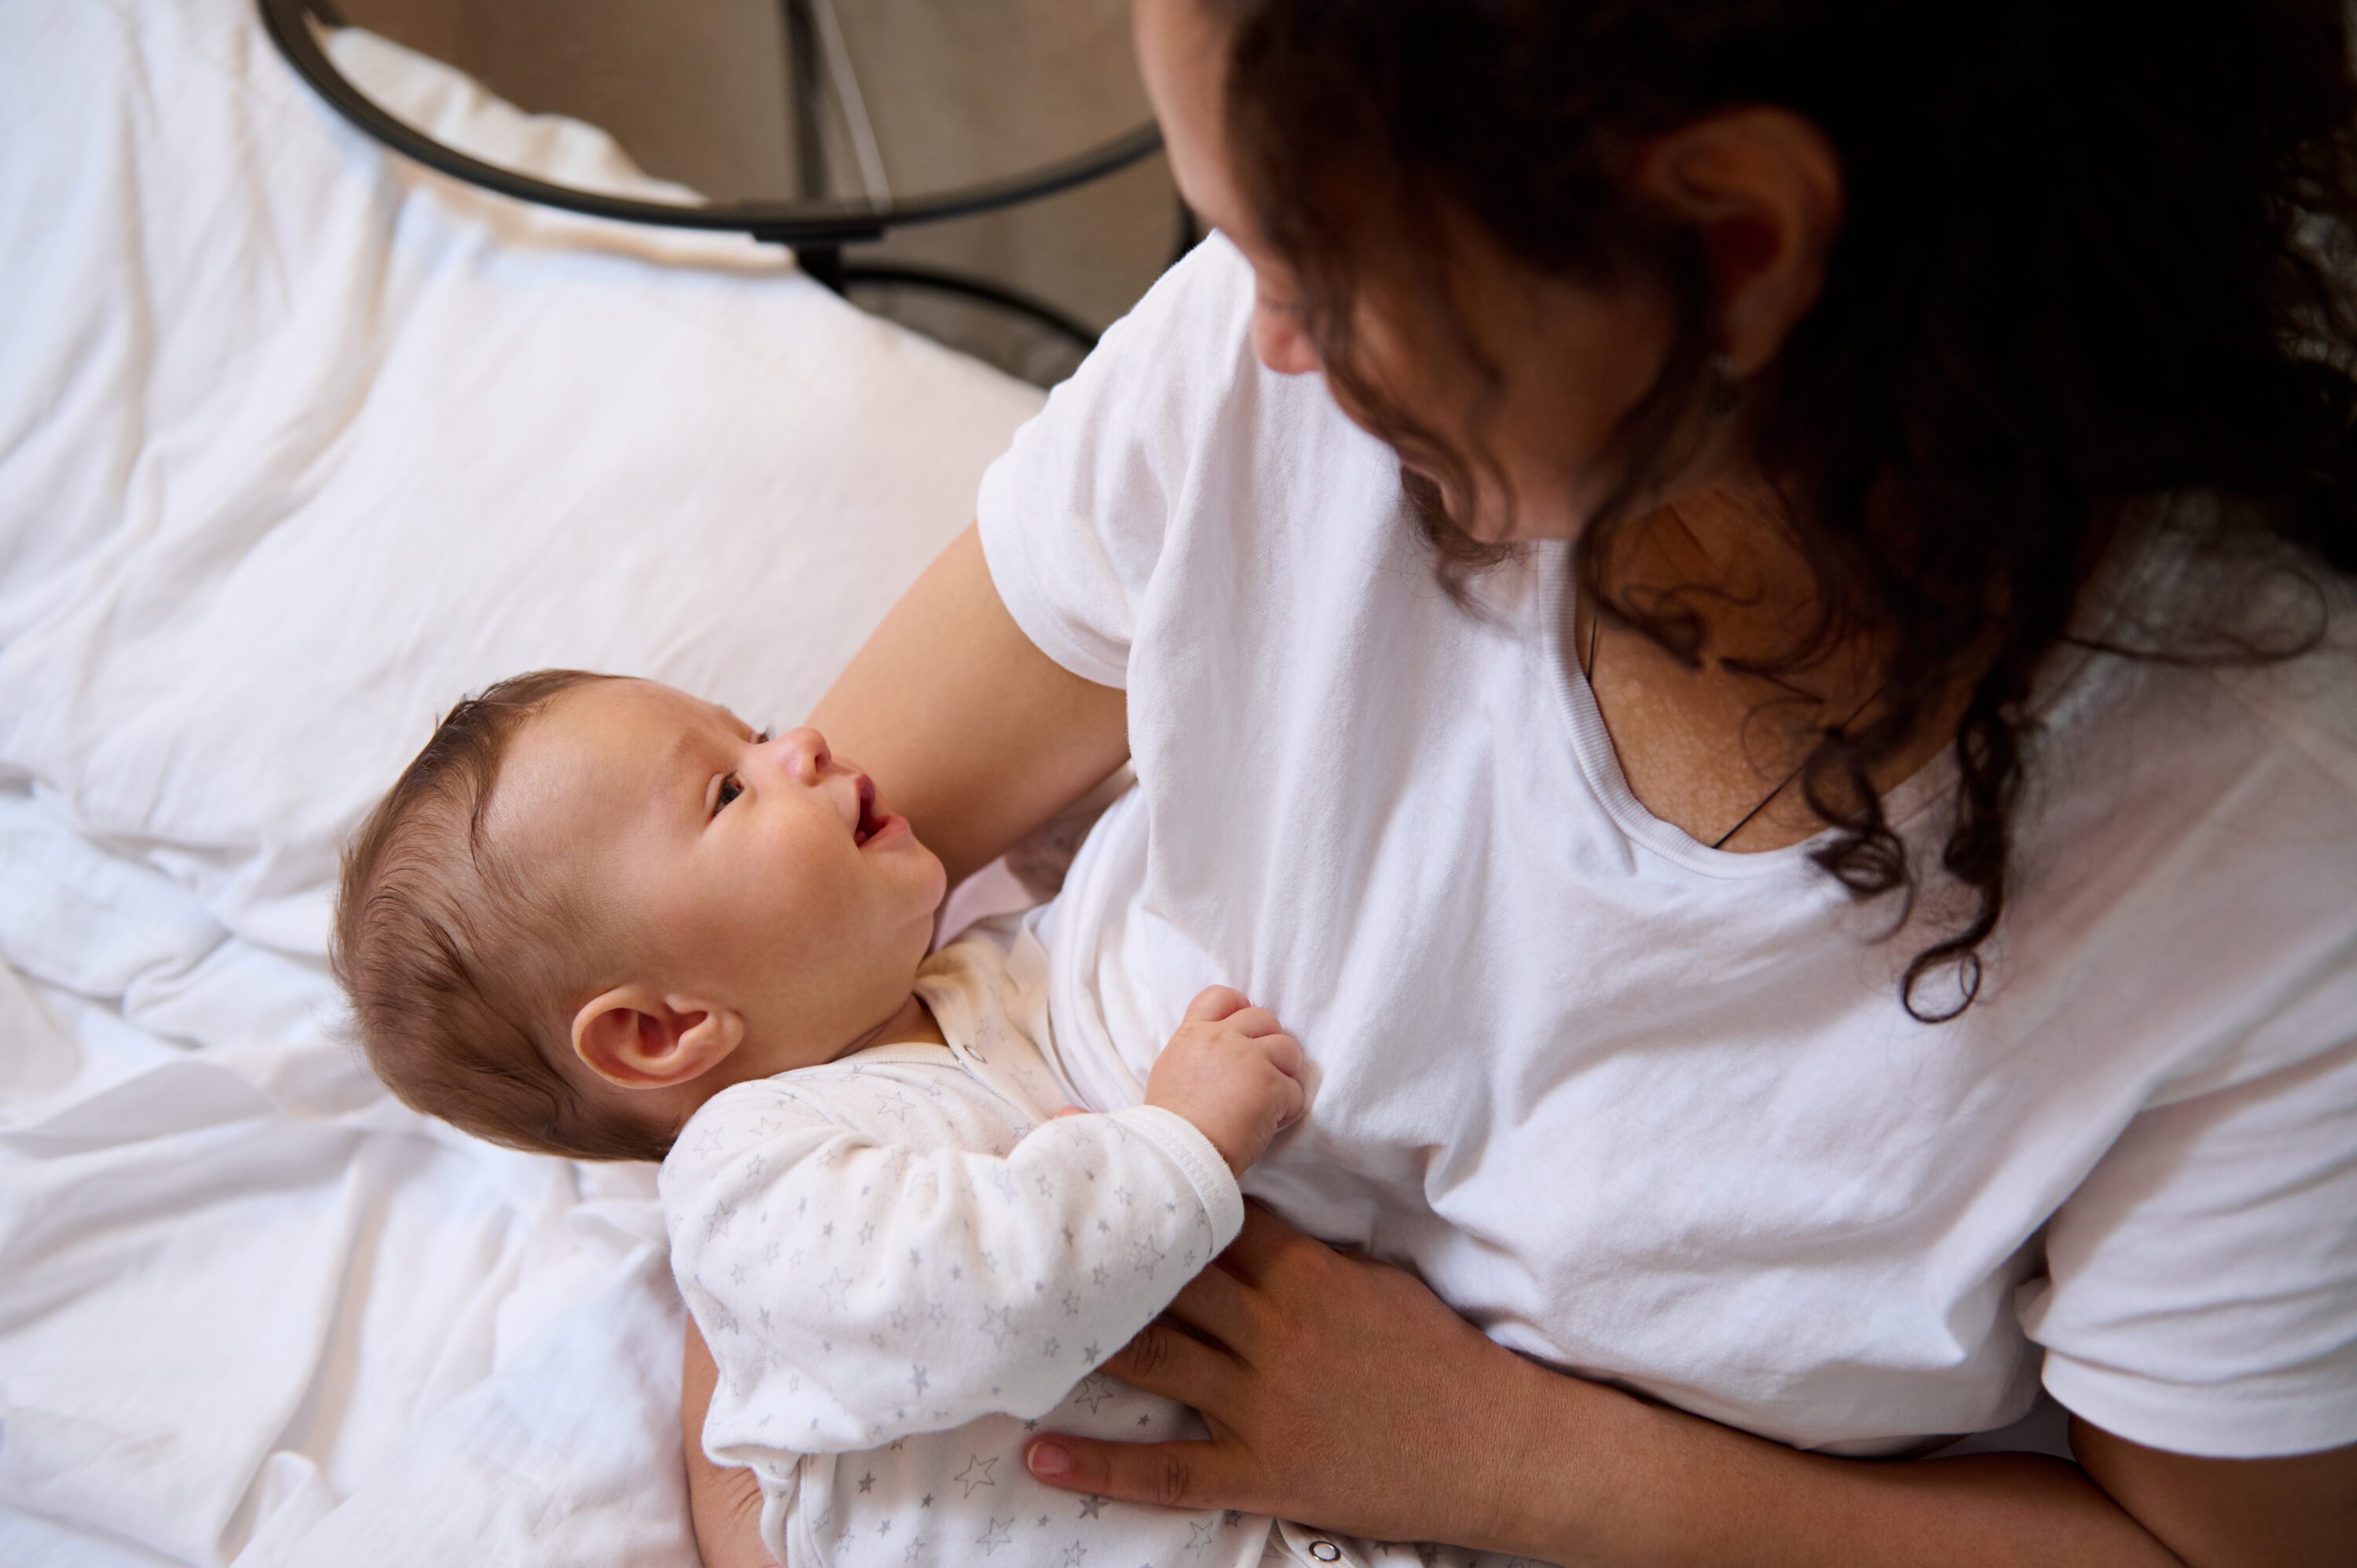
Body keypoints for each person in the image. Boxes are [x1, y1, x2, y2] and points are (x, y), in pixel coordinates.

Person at [684, 1, 2357, 1563]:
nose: (1256, 335)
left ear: (1740, 246)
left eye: (1313, 264)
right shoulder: (1245, 392)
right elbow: (728, 981)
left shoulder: (2269, 854)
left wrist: (1498, 1455)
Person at [334, 669, 1406, 1564]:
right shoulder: (746, 1182)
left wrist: (1080, 837)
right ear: (664, 1032)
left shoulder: (977, 980)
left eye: (753, 730)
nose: (799, 744)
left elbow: (1106, 947)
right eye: (725, 792)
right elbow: (986, 1292)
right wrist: (1184, 1138)